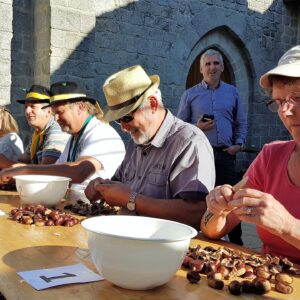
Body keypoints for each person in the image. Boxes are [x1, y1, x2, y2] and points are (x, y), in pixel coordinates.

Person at [200, 45, 300, 264]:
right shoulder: (271, 156)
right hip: (267, 282)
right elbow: (211, 230)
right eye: (280, 102)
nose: (285, 111)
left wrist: (288, 226)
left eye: (298, 98)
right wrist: (217, 210)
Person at [84, 65, 215, 229]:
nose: (123, 127)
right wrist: (101, 187)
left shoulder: (190, 142)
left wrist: (131, 199)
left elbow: (196, 213)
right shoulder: (136, 141)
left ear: (152, 104)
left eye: (126, 117)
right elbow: (119, 186)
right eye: (118, 120)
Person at [177, 49, 248, 244]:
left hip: (225, 155)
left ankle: (236, 243)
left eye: (216, 63)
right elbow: (179, 128)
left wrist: (238, 144)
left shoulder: (232, 93)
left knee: (231, 202)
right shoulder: (190, 95)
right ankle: (197, 241)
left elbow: (241, 122)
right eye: (208, 64)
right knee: (199, 200)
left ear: (222, 67)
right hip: (199, 158)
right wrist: (197, 127)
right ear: (201, 69)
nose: (212, 67)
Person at [0, 81, 125, 188]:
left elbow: (79, 171)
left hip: (97, 211)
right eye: (54, 114)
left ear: (80, 107)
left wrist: (25, 171)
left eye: (60, 112)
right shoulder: (74, 137)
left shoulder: (101, 133)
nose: (56, 118)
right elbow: (56, 170)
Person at [16, 85, 70, 165]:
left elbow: (47, 168)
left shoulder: (56, 128)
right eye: (26, 107)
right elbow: (22, 160)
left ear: (48, 111)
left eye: (32, 106)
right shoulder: (37, 133)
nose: (27, 111)